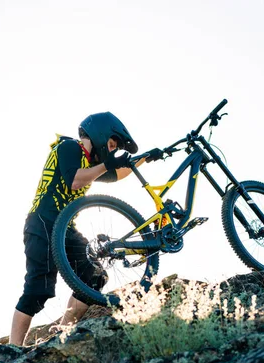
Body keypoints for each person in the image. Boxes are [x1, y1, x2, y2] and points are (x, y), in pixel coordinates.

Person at [9, 112, 163, 346]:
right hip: (41, 221)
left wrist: (142, 158)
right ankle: (13, 348)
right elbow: (75, 180)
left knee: (94, 276)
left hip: (66, 227)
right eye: (111, 145)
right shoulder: (70, 147)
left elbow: (115, 175)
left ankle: (62, 332)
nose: (111, 151)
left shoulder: (91, 163)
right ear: (99, 134)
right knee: (37, 290)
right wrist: (108, 163)